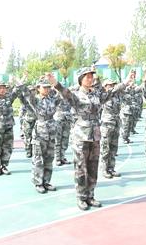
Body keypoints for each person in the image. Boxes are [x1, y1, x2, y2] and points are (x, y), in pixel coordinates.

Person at [48, 67, 134, 211]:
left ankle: (90, 195)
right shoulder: (76, 95)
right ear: (80, 79)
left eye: (91, 76)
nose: (90, 78)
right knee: (81, 168)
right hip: (81, 136)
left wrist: (126, 82)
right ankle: (81, 197)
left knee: (93, 167)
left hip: (95, 135)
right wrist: (55, 83)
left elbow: (112, 92)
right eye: (87, 76)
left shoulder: (96, 94)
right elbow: (65, 92)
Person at [19, 80, 60, 194]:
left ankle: (46, 181)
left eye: (48, 87)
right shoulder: (35, 100)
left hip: (51, 131)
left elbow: (62, 94)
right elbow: (27, 94)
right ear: (38, 88)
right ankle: (38, 183)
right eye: (44, 87)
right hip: (40, 133)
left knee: (49, 158)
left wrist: (56, 84)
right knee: (38, 159)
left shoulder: (52, 99)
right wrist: (21, 83)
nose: (47, 89)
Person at [0, 76, 25, 176]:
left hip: (8, 126)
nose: (2, 89)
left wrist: (20, 80)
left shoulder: (9, 97)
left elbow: (17, 90)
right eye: (0, 88)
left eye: (4, 88)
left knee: (8, 147)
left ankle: (4, 165)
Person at [100, 79, 123, 178]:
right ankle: (104, 169)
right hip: (107, 124)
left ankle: (111, 168)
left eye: (113, 84)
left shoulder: (117, 96)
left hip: (116, 123)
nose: (112, 86)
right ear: (105, 87)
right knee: (105, 148)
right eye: (109, 85)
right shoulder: (104, 96)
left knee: (114, 148)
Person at [54, 90, 74, 166]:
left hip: (67, 121)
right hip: (58, 120)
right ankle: (57, 159)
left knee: (65, 140)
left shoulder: (69, 98)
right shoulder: (56, 97)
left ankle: (62, 157)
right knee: (58, 140)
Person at [18, 85, 38, 158]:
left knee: (37, 137)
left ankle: (35, 151)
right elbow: (20, 96)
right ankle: (28, 150)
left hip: (37, 120)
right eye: (30, 91)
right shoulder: (25, 100)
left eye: (33, 90)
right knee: (28, 136)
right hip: (28, 120)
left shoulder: (37, 99)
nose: (32, 92)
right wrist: (20, 86)